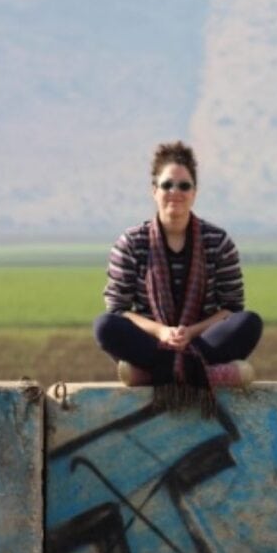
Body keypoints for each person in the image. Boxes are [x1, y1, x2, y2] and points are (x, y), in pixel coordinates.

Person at [93, 141, 262, 409]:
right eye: (167, 185)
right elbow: (118, 310)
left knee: (250, 323)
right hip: (152, 341)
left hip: (202, 339)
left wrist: (190, 332)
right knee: (104, 326)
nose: (175, 192)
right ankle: (210, 375)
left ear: (194, 192)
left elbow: (231, 308)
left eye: (184, 186)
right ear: (154, 190)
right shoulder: (131, 242)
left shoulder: (217, 241)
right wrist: (162, 332)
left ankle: (147, 375)